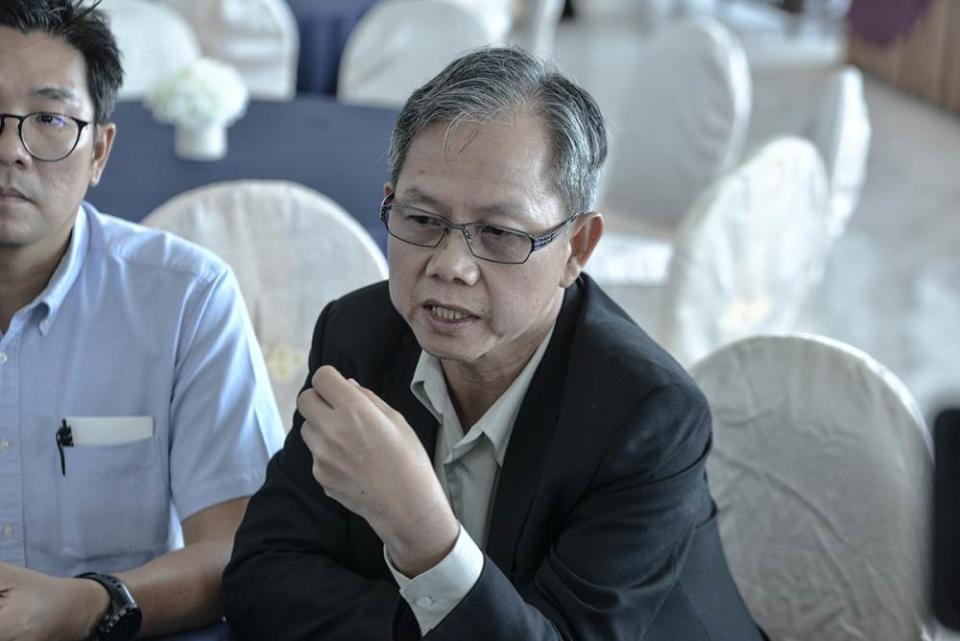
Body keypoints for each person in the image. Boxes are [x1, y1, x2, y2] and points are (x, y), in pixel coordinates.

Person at [223, 46, 764, 640]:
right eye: (422, 220)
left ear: (576, 249)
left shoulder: (648, 415)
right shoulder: (356, 336)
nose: (451, 266)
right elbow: (260, 578)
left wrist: (422, 532)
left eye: (499, 233)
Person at [0, 1, 283, 639]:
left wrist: (85, 606)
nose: (11, 149)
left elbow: (240, 548)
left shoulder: (187, 299)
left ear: (98, 152)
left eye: (48, 118)